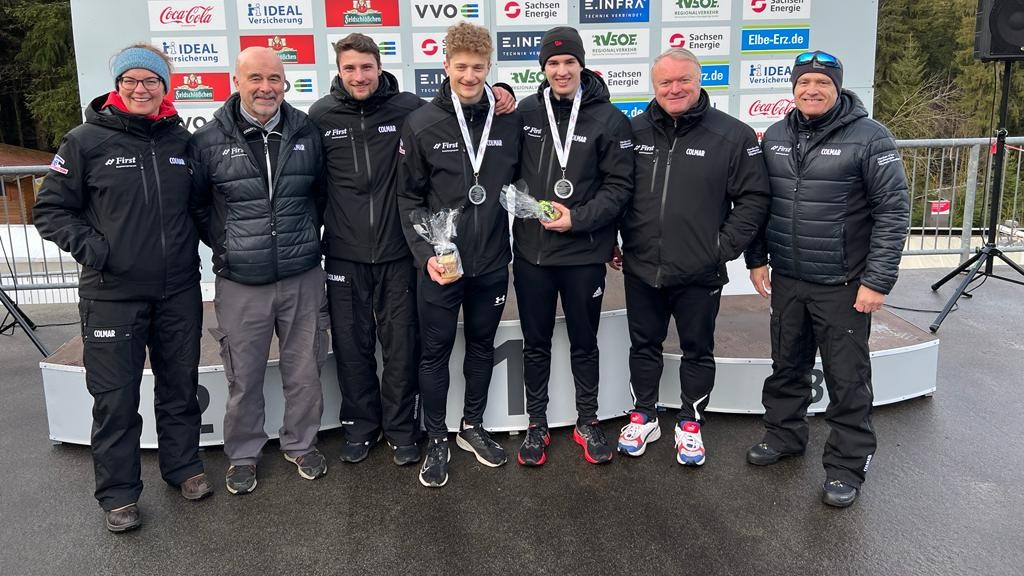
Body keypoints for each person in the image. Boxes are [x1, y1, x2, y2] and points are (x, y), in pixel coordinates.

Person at [307, 34, 515, 467]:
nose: (359, 76)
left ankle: (425, 429)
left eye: (367, 67)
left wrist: (507, 94)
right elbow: (318, 184)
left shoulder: (412, 110)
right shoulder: (324, 114)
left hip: (439, 256)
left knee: (419, 346)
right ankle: (384, 430)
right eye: (350, 68)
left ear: (380, 67)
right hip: (368, 253)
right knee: (358, 346)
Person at [33, 43, 212, 532]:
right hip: (111, 295)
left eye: (151, 81)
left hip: (178, 291)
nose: (141, 89)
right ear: (117, 85)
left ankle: (184, 468)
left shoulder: (182, 143)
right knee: (115, 399)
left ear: (164, 87)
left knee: (180, 387)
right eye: (131, 80)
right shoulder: (84, 141)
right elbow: (49, 211)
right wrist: (97, 250)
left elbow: (200, 208)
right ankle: (118, 494)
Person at [743, 50, 910, 507]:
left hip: (845, 285)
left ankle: (847, 465)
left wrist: (877, 281)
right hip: (790, 279)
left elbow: (893, 213)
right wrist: (757, 259)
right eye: (804, 83)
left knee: (846, 378)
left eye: (822, 83)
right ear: (792, 89)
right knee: (786, 367)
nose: (812, 90)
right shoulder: (775, 135)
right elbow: (760, 203)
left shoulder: (871, 138)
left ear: (838, 89)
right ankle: (784, 437)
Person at [613, 48, 770, 466]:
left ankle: (690, 422)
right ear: (654, 86)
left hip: (700, 270)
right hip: (642, 265)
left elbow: (754, 198)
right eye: (665, 82)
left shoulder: (731, 135)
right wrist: (614, 239)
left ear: (700, 81)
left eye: (683, 79)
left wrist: (722, 248)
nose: (675, 88)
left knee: (697, 349)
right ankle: (644, 414)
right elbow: (615, 191)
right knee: (643, 345)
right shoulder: (633, 131)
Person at [189, 47, 329, 495]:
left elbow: (320, 195)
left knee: (304, 369)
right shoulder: (208, 139)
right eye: (255, 78)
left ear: (285, 82)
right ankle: (244, 455)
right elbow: (197, 207)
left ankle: (301, 444)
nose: (266, 87)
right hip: (240, 281)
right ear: (237, 81)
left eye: (274, 78)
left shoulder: (307, 130)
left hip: (302, 274)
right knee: (243, 375)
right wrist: (231, 246)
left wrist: (302, 237)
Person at [397, 22, 522, 488]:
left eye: (479, 67)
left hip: (492, 261)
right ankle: (436, 438)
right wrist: (424, 253)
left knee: (483, 347)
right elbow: (408, 199)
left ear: (490, 67)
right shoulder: (422, 122)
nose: (470, 76)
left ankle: (472, 426)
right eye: (461, 67)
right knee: (434, 352)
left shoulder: (508, 118)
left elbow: (521, 182)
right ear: (445, 65)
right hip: (441, 264)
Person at [512, 26, 633, 466]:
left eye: (569, 62)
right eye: (553, 64)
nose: (561, 71)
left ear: (582, 65)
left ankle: (587, 420)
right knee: (535, 343)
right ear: (543, 69)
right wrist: (502, 92)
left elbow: (620, 187)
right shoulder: (525, 111)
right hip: (532, 254)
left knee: (585, 342)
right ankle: (537, 424)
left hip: (584, 253)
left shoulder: (610, 118)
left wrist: (578, 219)